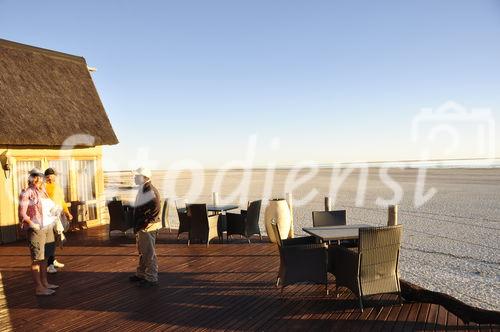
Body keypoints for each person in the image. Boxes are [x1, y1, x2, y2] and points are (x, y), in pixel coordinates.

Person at [19, 168, 59, 296]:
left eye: (39, 177)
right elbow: (22, 213)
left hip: (48, 227)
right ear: (30, 178)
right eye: (34, 177)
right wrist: (32, 224)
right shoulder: (27, 193)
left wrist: (56, 210)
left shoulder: (43, 191)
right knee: (37, 259)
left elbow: (49, 208)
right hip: (37, 229)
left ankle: (45, 283)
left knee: (46, 257)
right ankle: (39, 287)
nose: (37, 179)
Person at [128, 167, 161, 288]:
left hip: (147, 227)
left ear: (145, 178)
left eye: (137, 176)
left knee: (148, 252)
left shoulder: (149, 191)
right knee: (142, 251)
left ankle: (151, 277)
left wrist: (146, 222)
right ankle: (141, 274)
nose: (135, 178)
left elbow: (156, 208)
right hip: (142, 226)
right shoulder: (143, 189)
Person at [44, 167, 73, 273]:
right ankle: (49, 264)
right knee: (50, 240)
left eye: (52, 176)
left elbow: (62, 201)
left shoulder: (57, 187)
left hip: (57, 216)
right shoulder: (44, 187)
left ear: (55, 176)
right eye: (47, 176)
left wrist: (67, 213)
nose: (50, 178)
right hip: (48, 217)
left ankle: (53, 260)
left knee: (56, 238)